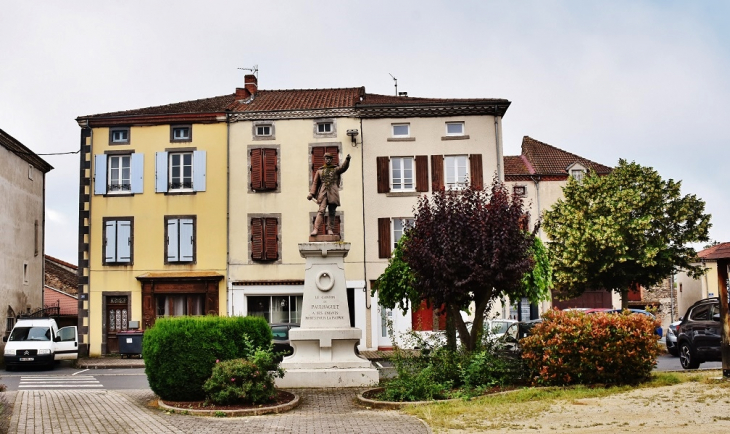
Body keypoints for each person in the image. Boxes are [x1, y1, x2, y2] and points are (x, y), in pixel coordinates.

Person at [308, 152, 351, 236]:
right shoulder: (320, 171)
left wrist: (347, 160)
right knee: (321, 211)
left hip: (333, 193)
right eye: (326, 158)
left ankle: (330, 229)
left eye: (329, 158)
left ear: (331, 160)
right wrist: (311, 193)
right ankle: (316, 229)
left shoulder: (335, 169)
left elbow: (343, 168)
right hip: (323, 193)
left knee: (332, 212)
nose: (327, 160)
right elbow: (315, 183)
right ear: (324, 159)